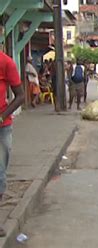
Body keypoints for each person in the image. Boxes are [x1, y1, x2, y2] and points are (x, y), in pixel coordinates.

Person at [0, 51, 25, 237]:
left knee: (0, 174)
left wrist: (2, 115)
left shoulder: (7, 63)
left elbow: (20, 95)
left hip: (2, 128)